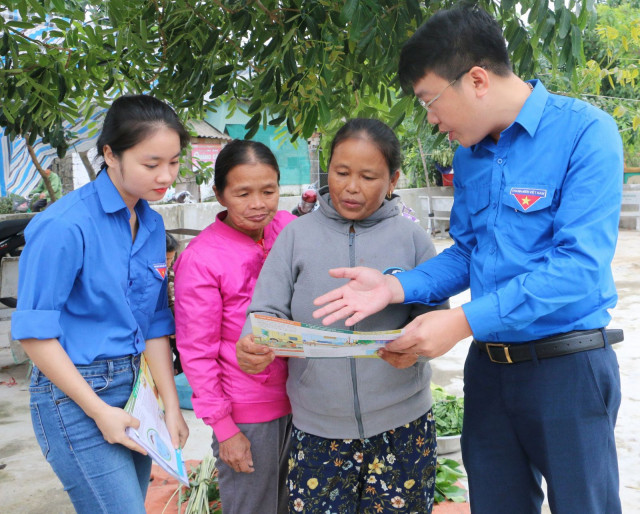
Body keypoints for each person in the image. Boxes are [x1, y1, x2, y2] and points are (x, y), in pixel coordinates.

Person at [312, 6, 624, 514]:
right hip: (490, 369)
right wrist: (397, 288)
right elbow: (469, 251)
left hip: (567, 368)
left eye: (430, 100)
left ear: (477, 80)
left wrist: (460, 321)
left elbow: (578, 268)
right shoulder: (470, 154)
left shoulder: (585, 134)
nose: (431, 119)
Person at [237, 118, 445, 513]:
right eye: (341, 172)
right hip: (317, 430)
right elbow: (264, 310)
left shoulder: (412, 238)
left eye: (368, 176)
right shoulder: (296, 235)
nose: (351, 186)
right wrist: (253, 341)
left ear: (393, 180)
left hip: (402, 427)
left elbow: (435, 317)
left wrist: (416, 349)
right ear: (326, 169)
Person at [11, 95, 190, 514]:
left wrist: (170, 407)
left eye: (175, 162)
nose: (166, 176)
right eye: (151, 164)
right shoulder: (63, 225)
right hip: (75, 395)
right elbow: (34, 334)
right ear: (110, 154)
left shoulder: (151, 222)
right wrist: (98, 411)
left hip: (135, 391)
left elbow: (153, 325)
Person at [173, 139, 296, 514]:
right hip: (248, 411)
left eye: (268, 190)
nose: (258, 203)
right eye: (243, 193)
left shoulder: (290, 230)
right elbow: (197, 351)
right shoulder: (202, 259)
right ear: (220, 194)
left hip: (304, 400)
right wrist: (225, 428)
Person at [165, 232, 182, 374]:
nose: (169, 264)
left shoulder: (168, 272)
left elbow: (172, 300)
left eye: (171, 259)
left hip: (172, 321)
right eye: (166, 259)